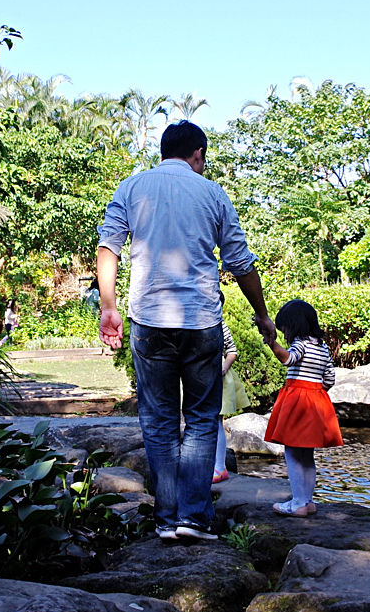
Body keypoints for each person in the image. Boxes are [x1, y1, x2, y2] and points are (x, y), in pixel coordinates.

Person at [96, 120, 275, 542]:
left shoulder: (131, 188)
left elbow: (109, 247)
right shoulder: (212, 193)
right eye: (204, 157)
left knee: (158, 421)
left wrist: (109, 308)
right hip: (201, 323)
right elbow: (240, 263)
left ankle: (165, 519)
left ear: (163, 152)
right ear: (197, 153)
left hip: (149, 320)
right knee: (199, 420)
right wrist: (263, 314)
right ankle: (193, 520)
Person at [262, 298, 342, 517]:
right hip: (316, 400)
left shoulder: (301, 343)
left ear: (294, 325)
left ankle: (297, 502)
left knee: (292, 451)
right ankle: (307, 501)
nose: (285, 333)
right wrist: (315, 391)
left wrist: (272, 344)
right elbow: (330, 378)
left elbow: (289, 360)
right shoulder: (322, 347)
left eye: (285, 328)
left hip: (297, 399)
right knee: (307, 454)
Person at [214, 295, 251, 484]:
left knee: (217, 419)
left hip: (217, 376)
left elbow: (232, 350)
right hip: (197, 374)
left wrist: (224, 367)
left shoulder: (220, 325)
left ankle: (219, 467)